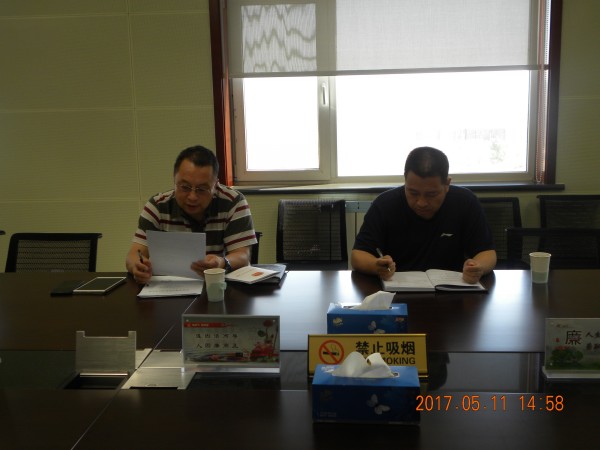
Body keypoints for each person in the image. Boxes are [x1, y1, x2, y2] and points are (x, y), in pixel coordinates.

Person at [351, 146, 496, 284]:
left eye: (431, 194)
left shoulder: (465, 202)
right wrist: (376, 265)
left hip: (452, 291)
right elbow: (358, 255)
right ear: (405, 181)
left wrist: (478, 267)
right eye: (413, 193)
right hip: (396, 291)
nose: (421, 203)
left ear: (447, 184)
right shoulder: (385, 204)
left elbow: (487, 252)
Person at [126, 145, 257, 284]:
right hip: (168, 287)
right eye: (185, 187)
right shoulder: (157, 206)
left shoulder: (233, 202)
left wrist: (221, 262)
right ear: (174, 180)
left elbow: (243, 255)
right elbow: (134, 255)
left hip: (217, 285)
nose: (192, 197)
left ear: (215, 185)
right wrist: (137, 267)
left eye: (202, 189)